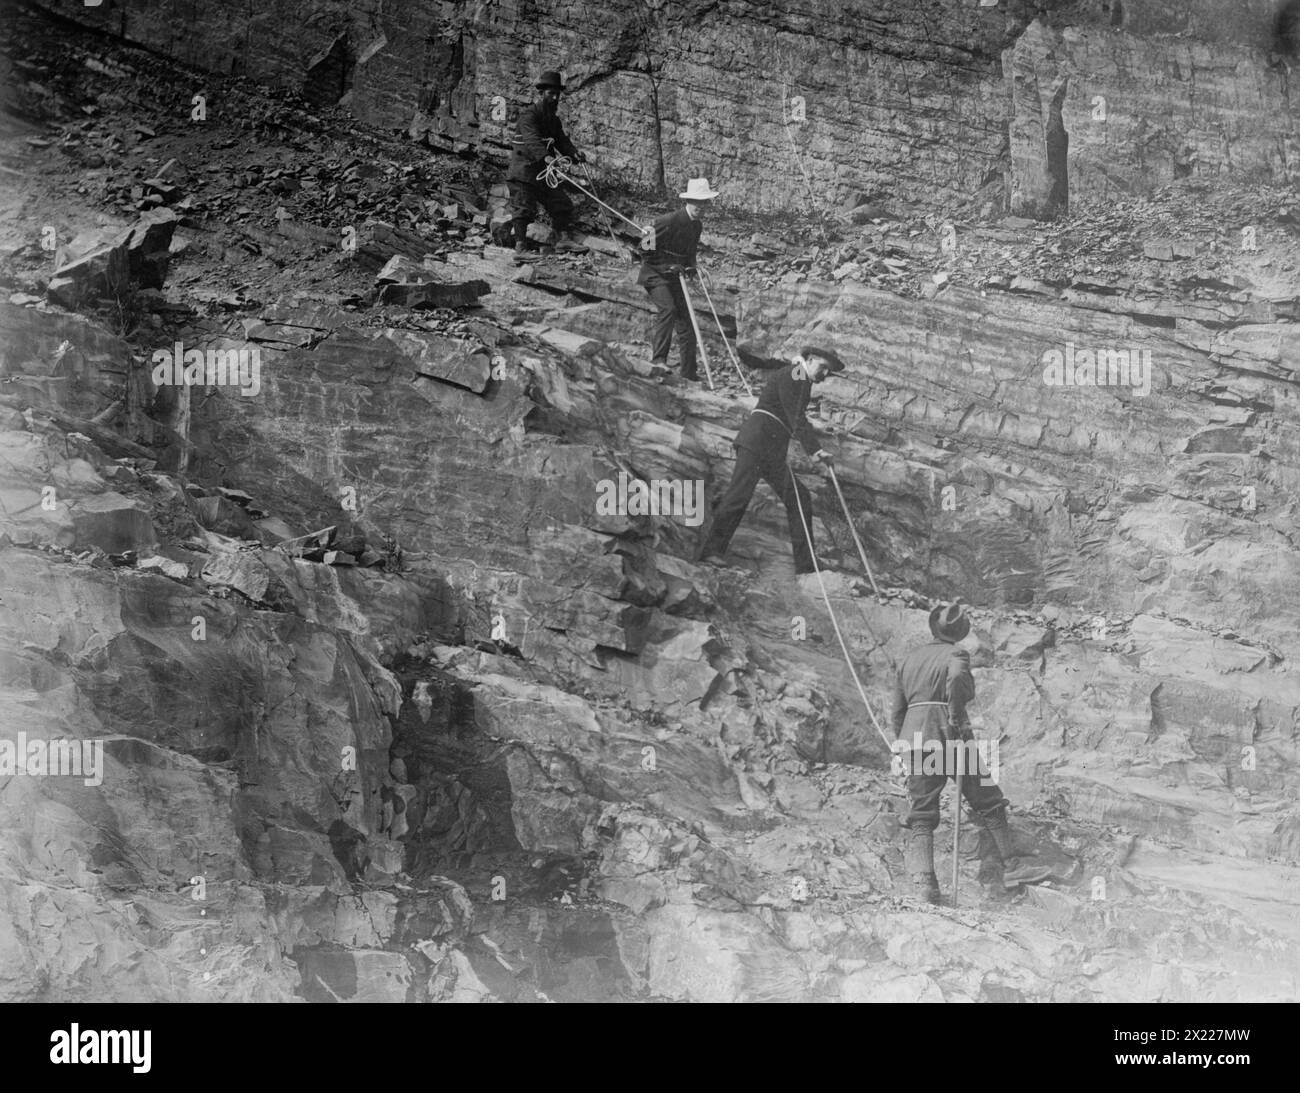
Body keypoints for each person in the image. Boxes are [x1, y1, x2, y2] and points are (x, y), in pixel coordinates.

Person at [891, 602, 1051, 904]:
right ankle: (1013, 867)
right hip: (949, 735)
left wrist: (903, 745)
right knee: (988, 797)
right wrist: (953, 715)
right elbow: (954, 680)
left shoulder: (908, 660)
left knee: (922, 813)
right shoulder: (956, 654)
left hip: (913, 739)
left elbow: (897, 712)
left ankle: (925, 885)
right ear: (958, 632)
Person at [697, 347, 844, 573]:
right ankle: (711, 552)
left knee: (799, 497)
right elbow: (796, 416)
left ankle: (806, 564)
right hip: (757, 442)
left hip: (771, 450)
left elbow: (794, 414)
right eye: (823, 367)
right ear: (810, 360)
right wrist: (815, 451)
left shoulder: (798, 376)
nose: (825, 374)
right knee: (738, 496)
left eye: (829, 372)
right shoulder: (797, 374)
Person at [637, 178, 717, 380]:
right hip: (654, 274)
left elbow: (689, 254)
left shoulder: (696, 226)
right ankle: (658, 361)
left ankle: (689, 375)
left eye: (704, 202)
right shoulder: (668, 221)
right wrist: (666, 266)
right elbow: (644, 247)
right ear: (687, 201)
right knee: (668, 309)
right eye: (696, 202)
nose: (700, 206)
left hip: (675, 277)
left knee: (687, 325)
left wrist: (693, 267)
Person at [506, 70, 589, 258]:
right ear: (541, 93)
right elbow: (532, 140)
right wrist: (546, 157)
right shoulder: (529, 116)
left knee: (561, 202)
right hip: (524, 171)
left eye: (557, 94)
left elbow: (561, 141)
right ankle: (521, 249)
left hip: (543, 173)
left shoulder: (553, 120)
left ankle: (564, 240)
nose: (554, 97)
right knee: (523, 207)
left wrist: (574, 154)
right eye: (550, 93)